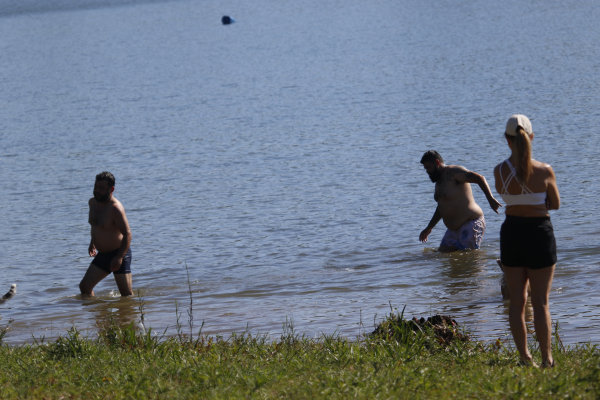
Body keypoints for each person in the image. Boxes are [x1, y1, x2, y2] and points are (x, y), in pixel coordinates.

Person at [493, 114, 559, 368]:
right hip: (538, 232)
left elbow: (507, 194)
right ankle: (547, 359)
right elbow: (554, 204)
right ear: (531, 137)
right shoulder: (545, 170)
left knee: (517, 302)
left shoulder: (499, 170)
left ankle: (524, 358)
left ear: (507, 140)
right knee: (541, 302)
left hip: (512, 233)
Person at [419, 150, 502, 252]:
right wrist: (429, 227)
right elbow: (442, 207)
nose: (427, 171)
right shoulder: (439, 183)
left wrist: (490, 199)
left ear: (437, 163)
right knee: (442, 256)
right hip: (453, 231)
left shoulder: (454, 172)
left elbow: (479, 178)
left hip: (470, 224)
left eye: (428, 167)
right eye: (425, 168)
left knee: (469, 259)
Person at [79, 172, 133, 297]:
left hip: (119, 253)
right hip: (103, 255)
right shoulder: (92, 203)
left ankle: (129, 316)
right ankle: (99, 314)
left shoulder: (115, 208)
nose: (97, 190)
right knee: (85, 286)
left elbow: (128, 234)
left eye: (101, 188)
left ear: (111, 189)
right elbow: (96, 226)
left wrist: (119, 257)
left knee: (126, 295)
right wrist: (93, 242)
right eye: (96, 186)